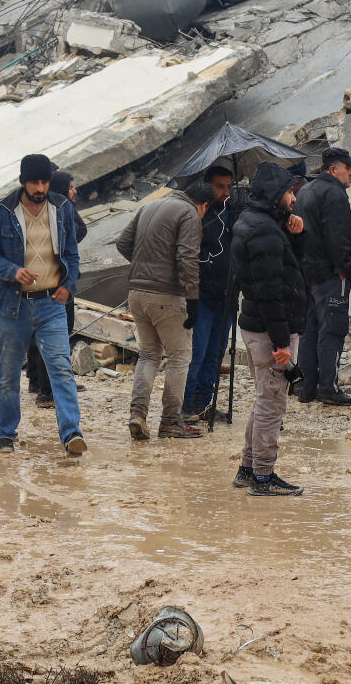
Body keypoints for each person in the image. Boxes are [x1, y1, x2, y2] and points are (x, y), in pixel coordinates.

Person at [0, 152, 85, 454]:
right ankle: (6, 433)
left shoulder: (62, 208)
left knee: (61, 369)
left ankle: (71, 433)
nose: (40, 188)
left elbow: (72, 255)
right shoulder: (1, 211)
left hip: (51, 303)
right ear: (24, 182)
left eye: (44, 182)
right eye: (34, 182)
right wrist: (13, 271)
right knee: (9, 373)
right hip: (14, 305)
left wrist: (68, 286)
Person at [229, 163, 308, 495]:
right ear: (277, 195)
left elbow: (288, 267)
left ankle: (249, 469)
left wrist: (297, 233)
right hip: (269, 330)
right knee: (273, 403)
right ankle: (263, 477)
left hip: (258, 325)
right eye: (290, 193)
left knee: (265, 400)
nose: (293, 199)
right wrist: (281, 342)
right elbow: (270, 291)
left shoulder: (258, 223)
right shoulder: (263, 232)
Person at [115, 181, 207, 440]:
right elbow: (187, 258)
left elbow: (123, 243)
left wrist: (146, 268)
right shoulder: (189, 213)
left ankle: (137, 414)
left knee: (149, 354)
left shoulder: (150, 205)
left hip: (136, 293)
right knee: (179, 356)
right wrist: (193, 298)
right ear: (203, 205)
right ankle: (170, 421)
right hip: (167, 295)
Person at [293, 146, 351, 407]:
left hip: (309, 274)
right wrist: (348, 269)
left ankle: (307, 387)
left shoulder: (307, 190)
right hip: (331, 275)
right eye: (348, 168)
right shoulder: (334, 193)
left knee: (310, 331)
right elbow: (339, 238)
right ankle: (328, 388)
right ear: (334, 169)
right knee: (332, 330)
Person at [26, 169, 87, 404]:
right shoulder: (62, 209)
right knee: (56, 334)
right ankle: (48, 390)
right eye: (71, 186)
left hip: (44, 280)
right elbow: (80, 230)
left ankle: (39, 381)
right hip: (57, 282)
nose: (75, 191)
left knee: (41, 334)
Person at [182, 165, 237, 418]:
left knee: (215, 352)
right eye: (219, 186)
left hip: (227, 295)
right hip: (202, 295)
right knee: (197, 352)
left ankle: (204, 404)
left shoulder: (233, 214)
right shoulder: (196, 215)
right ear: (208, 185)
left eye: (229, 187)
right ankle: (184, 407)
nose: (225, 192)